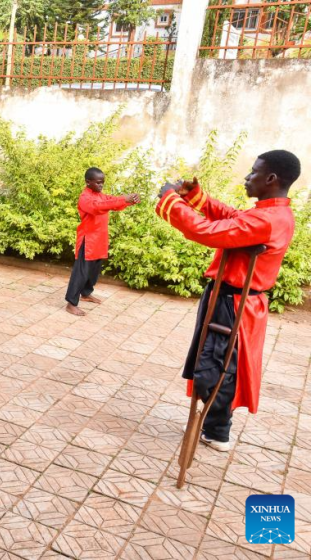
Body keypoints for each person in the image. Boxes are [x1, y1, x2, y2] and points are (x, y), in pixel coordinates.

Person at [157, 151, 299, 452]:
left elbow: (206, 231)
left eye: (253, 172)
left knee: (217, 365)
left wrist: (170, 200)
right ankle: (215, 426)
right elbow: (231, 217)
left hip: (233, 303)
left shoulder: (268, 220)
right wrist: (195, 196)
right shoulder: (270, 213)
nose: (247, 177)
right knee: (217, 360)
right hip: (231, 300)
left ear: (271, 179)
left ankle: (217, 429)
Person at [65, 167, 140, 316]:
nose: (101, 185)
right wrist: (123, 199)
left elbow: (112, 202)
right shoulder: (85, 198)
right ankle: (71, 303)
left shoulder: (100, 195)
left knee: (93, 271)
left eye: (102, 183)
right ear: (88, 182)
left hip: (99, 239)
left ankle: (86, 294)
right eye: (98, 183)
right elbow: (98, 207)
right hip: (88, 240)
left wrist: (129, 200)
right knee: (81, 272)